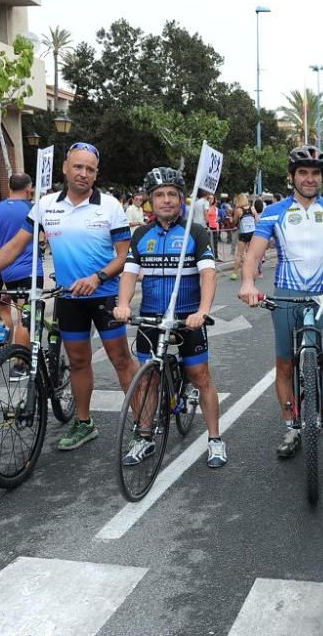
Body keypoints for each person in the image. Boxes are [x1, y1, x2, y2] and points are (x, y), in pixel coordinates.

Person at [0, 142, 138, 452]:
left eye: (90, 169)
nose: (83, 173)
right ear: (66, 168)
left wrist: (98, 278)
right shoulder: (45, 205)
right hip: (68, 297)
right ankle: (84, 423)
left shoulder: (110, 205)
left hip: (105, 294)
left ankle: (143, 423)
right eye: (78, 167)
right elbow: (15, 246)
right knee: (80, 361)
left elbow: (124, 257)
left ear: (96, 175)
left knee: (121, 359)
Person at [238, 145, 323, 464]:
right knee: (285, 366)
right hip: (286, 296)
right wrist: (248, 283)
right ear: (291, 177)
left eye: (315, 173)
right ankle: (292, 428)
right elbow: (255, 253)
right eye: (303, 172)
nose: (310, 178)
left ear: (322, 178)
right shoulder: (274, 212)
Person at [114, 167, 226, 468]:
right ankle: (146, 437)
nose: (166, 200)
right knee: (148, 376)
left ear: (181, 199)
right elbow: (128, 274)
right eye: (159, 195)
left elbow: (208, 275)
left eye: (172, 195)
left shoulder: (196, 232)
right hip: (151, 315)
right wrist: (123, 304)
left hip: (187, 316)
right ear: (150, 200)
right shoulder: (141, 234)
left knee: (200, 376)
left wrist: (202, 312)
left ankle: (215, 439)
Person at [0, 172, 43, 352]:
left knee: (16, 313)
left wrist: (1, 255)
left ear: (9, 187)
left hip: (7, 271)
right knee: (26, 318)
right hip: (30, 269)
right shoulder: (34, 208)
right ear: (29, 188)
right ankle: (20, 362)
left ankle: (15, 354)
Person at [229, 193, 257, 281]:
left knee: (239, 254)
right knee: (251, 254)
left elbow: (234, 222)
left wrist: (231, 219)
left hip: (243, 234)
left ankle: (234, 273)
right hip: (252, 233)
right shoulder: (253, 209)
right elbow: (257, 221)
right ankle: (252, 272)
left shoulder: (238, 210)